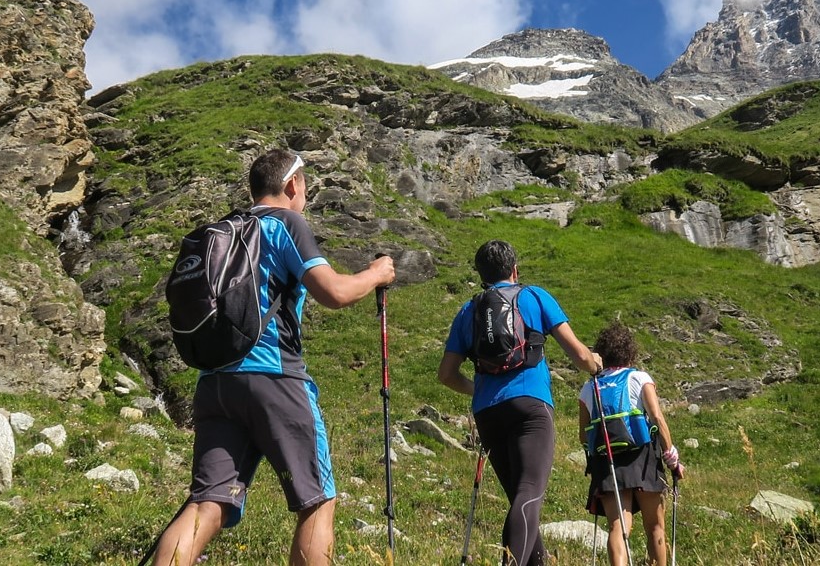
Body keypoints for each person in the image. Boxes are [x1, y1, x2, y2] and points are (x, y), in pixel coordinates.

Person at [152, 149, 396, 566]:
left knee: (207, 503)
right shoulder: (286, 223)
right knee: (316, 502)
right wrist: (376, 274)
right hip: (275, 378)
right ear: (292, 185)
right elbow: (333, 292)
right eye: (306, 188)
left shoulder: (224, 229)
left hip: (214, 384)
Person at [437, 239, 602, 566]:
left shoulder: (469, 311)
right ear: (514, 270)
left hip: (487, 413)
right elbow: (580, 355)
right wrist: (598, 364)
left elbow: (446, 374)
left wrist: (480, 391)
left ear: (481, 274)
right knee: (529, 497)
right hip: (531, 407)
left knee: (520, 498)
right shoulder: (534, 296)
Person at [578, 323, 685, 566]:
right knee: (655, 525)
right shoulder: (638, 378)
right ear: (629, 352)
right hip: (643, 457)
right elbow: (657, 419)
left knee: (619, 526)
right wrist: (672, 459)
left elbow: (584, 436)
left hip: (608, 461)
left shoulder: (589, 388)